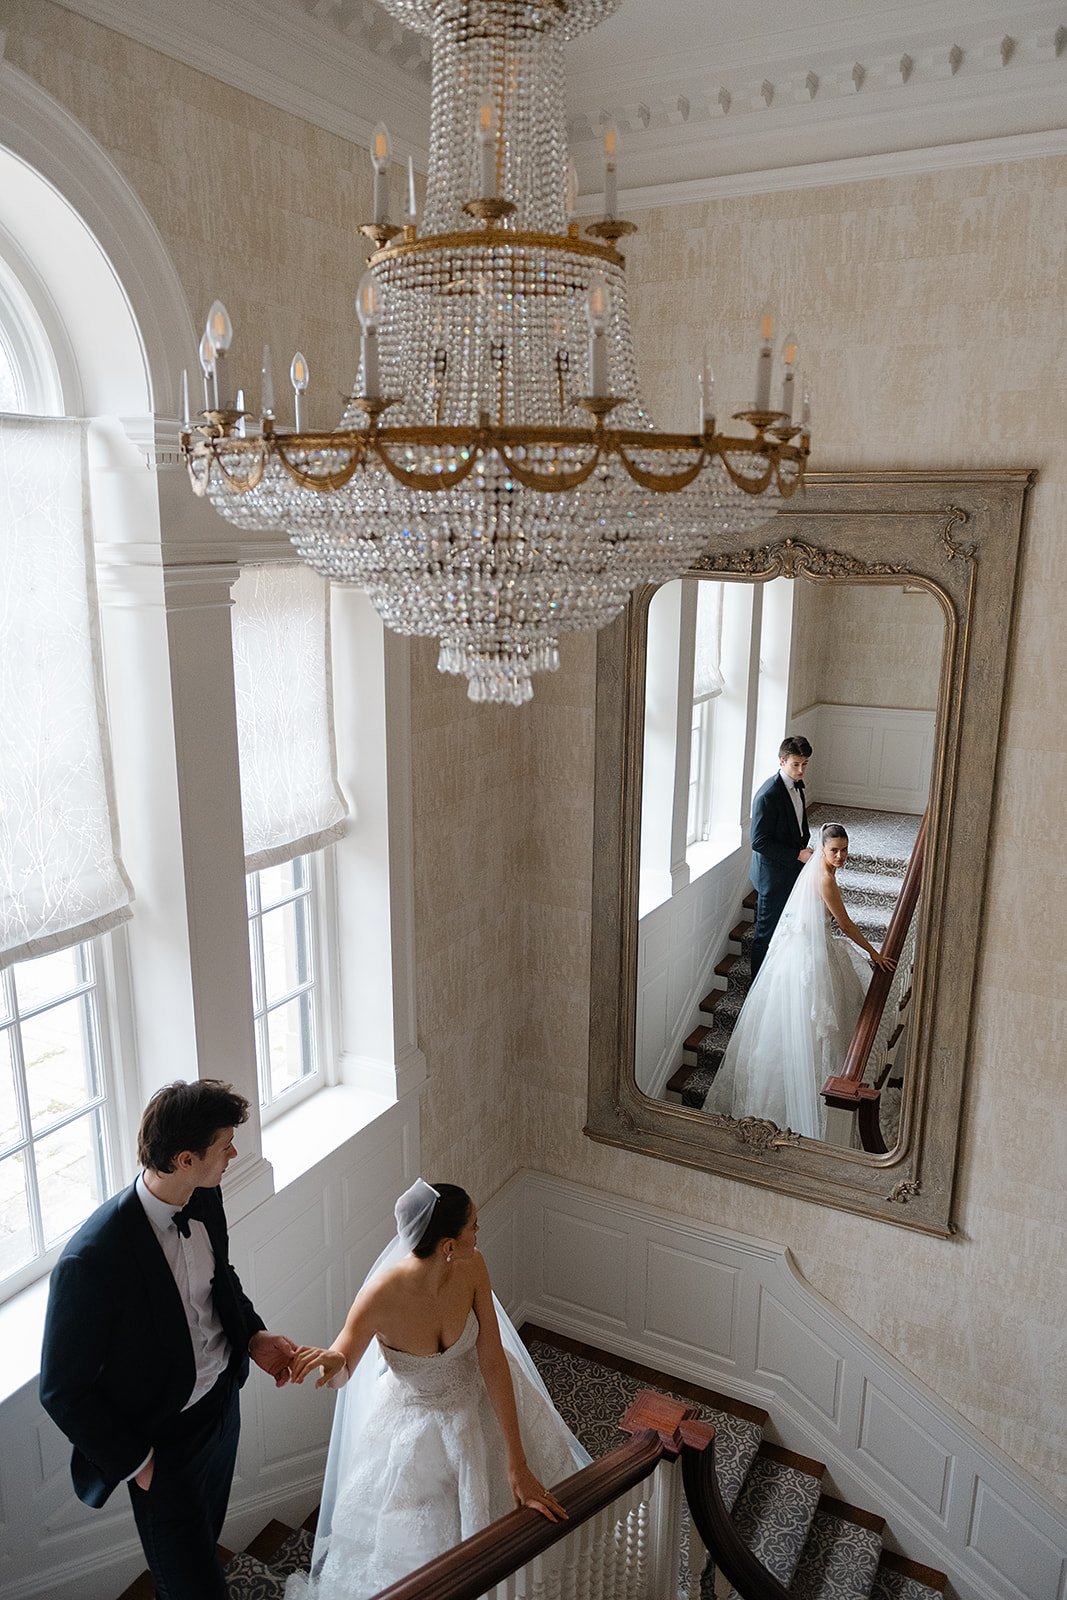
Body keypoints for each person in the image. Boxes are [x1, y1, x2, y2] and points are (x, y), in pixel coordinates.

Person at [40, 1079, 298, 1600]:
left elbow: (219, 1279)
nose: (233, 1154)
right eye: (225, 1145)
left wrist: (253, 1336)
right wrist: (140, 1464)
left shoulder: (204, 1196)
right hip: (164, 1449)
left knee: (201, 1553)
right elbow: (62, 1390)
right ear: (185, 1159)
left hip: (222, 1411)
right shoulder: (92, 1260)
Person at [285, 1179, 591, 1599]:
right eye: (473, 1226)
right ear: (448, 1244)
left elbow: (492, 1359)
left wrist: (517, 1461)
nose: (478, 1232)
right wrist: (332, 1363)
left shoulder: (472, 1266)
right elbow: (341, 1367)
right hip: (420, 1436)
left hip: (487, 1404)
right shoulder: (379, 1297)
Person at [706, 823, 895, 1140]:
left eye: (844, 850)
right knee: (813, 1025)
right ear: (822, 849)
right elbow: (846, 925)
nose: (840, 856)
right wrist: (874, 953)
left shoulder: (818, 870)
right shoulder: (825, 879)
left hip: (801, 948)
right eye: (834, 850)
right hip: (810, 956)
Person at [749, 735, 814, 976]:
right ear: (782, 761)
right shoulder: (768, 795)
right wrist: (797, 854)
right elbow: (759, 841)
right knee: (765, 936)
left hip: (791, 870)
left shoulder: (796, 785)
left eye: (805, 764)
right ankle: (755, 990)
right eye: (796, 764)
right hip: (773, 877)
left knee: (788, 928)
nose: (801, 770)